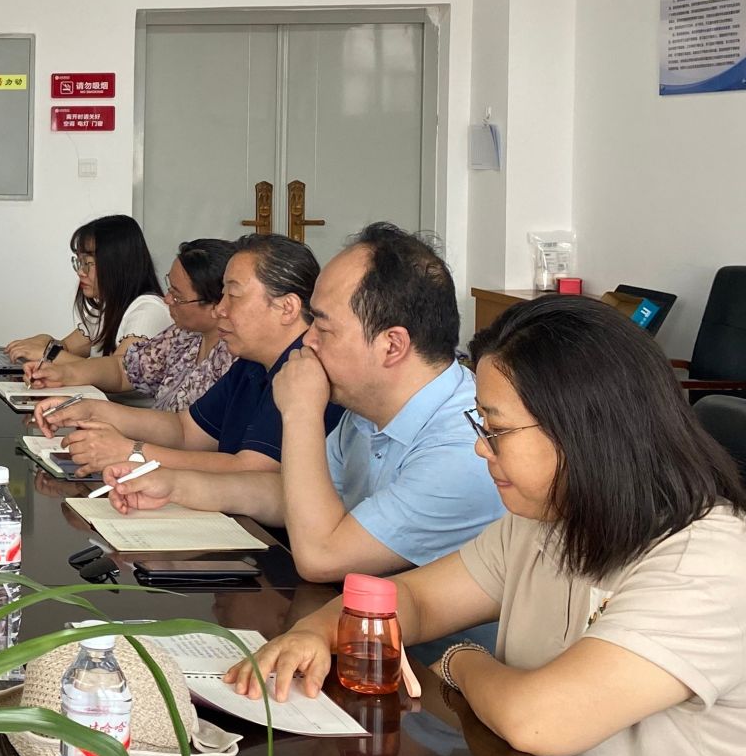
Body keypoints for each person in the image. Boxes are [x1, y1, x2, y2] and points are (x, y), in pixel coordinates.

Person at [228, 295, 746, 756]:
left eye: (495, 429)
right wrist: (315, 631)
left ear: (584, 429)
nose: (480, 447)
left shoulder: (712, 561)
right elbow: (412, 599)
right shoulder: (548, 522)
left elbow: (537, 720)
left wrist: (462, 661)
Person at [106, 224, 499, 581]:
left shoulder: (463, 447)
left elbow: (321, 557)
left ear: (391, 345)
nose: (308, 341)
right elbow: (288, 495)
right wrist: (173, 485)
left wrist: (301, 412)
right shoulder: (368, 409)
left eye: (323, 328)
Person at [36, 234, 340, 478]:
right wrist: (92, 410)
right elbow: (185, 430)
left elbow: (252, 470)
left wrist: (132, 452)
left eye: (233, 296)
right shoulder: (252, 364)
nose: (220, 309)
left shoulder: (304, 370)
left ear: (286, 308)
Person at [23, 237, 236, 411]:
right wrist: (64, 374)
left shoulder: (233, 358)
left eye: (177, 296)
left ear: (217, 304)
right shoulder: (182, 336)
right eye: (170, 288)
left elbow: (185, 433)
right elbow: (123, 369)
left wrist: (96, 414)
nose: (167, 299)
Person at [4, 215, 171, 386]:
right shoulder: (107, 306)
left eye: (87, 263)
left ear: (116, 264)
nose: (80, 272)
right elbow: (67, 347)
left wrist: (48, 354)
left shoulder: (149, 311)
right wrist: (46, 342)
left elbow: (120, 373)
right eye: (79, 262)